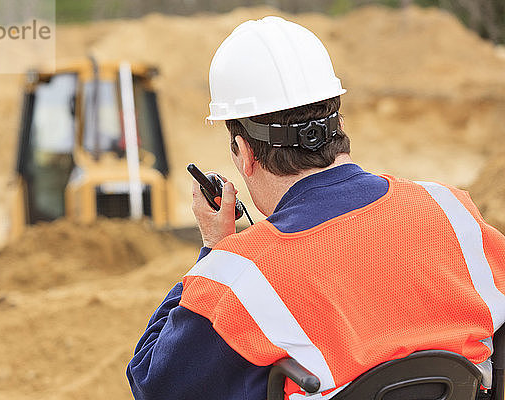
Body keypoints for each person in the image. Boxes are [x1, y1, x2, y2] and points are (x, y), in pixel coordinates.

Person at [127, 16, 505, 399]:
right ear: (340, 123)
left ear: (244, 153)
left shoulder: (241, 276)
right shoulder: (452, 210)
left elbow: (153, 383)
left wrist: (215, 249)